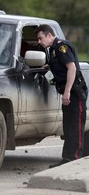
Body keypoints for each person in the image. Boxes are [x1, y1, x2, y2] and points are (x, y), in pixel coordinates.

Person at [35, 24, 88, 168]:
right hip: (68, 91)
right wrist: (46, 67)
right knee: (69, 126)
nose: (39, 41)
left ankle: (73, 160)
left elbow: (71, 68)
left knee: (75, 126)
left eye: (40, 38)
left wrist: (67, 92)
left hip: (75, 92)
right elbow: (59, 65)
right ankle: (67, 159)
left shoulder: (60, 47)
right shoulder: (52, 50)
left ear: (49, 35)